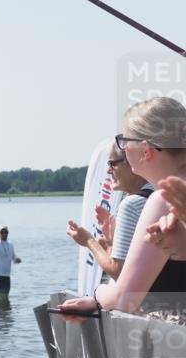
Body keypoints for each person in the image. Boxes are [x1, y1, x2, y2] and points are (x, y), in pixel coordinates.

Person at [59, 97, 186, 318]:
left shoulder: (162, 199)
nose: (124, 148)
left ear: (146, 150)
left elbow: (124, 299)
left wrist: (97, 294)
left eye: (124, 140)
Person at [66, 142, 152, 280]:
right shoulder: (163, 193)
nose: (108, 170)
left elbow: (119, 272)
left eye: (112, 163)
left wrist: (88, 241)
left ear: (131, 161)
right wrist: (112, 244)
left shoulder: (131, 205)